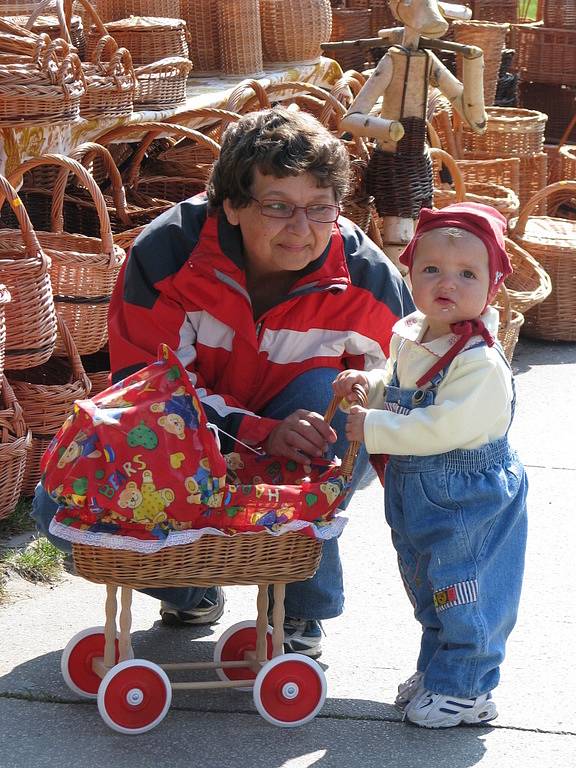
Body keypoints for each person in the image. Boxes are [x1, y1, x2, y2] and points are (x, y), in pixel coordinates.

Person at [32, 106, 413, 658]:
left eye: (320, 208)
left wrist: (365, 413)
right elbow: (147, 392)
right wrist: (258, 432)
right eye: (278, 207)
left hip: (303, 434)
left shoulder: (368, 276)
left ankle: (300, 608)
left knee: (323, 406)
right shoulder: (166, 254)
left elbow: (406, 388)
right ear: (231, 204)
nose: (302, 229)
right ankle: (191, 585)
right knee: (56, 509)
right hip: (192, 432)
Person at [333, 202, 528, 726]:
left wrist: (373, 426)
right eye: (432, 269)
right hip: (420, 493)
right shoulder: (416, 333)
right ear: (411, 272)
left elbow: (443, 426)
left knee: (465, 586)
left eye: (468, 273)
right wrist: (370, 387)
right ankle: (441, 670)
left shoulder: (479, 363)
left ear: (491, 287)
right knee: (429, 585)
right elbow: (403, 387)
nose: (448, 283)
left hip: (467, 496)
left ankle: (468, 687)